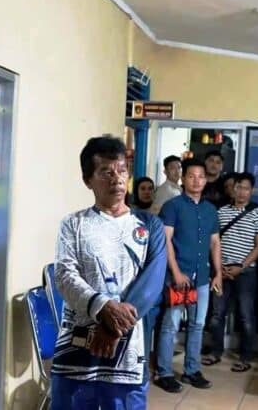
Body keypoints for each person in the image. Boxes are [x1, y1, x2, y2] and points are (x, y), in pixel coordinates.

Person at [51, 135, 166, 410]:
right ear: (87, 180)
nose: (116, 179)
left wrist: (112, 327)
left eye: (122, 171)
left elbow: (152, 282)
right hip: (77, 350)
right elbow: (65, 276)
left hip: (128, 354)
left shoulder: (149, 225)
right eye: (106, 172)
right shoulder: (73, 224)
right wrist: (103, 308)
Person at [154, 158, 222, 393]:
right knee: (170, 325)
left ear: (206, 180)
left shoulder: (210, 210)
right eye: (191, 176)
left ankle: (192, 370)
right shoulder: (172, 206)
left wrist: (218, 274)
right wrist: (176, 272)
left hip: (202, 276)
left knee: (198, 324)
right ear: (183, 179)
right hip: (178, 276)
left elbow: (215, 243)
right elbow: (166, 241)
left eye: (201, 177)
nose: (196, 180)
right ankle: (164, 372)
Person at [202, 173, 258, 372]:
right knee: (216, 314)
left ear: (251, 191)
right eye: (238, 187)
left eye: (246, 188)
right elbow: (214, 242)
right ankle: (215, 352)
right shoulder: (221, 212)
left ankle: (245, 357)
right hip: (220, 272)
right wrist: (219, 268)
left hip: (246, 273)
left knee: (246, 315)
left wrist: (241, 267)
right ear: (233, 189)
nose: (241, 192)